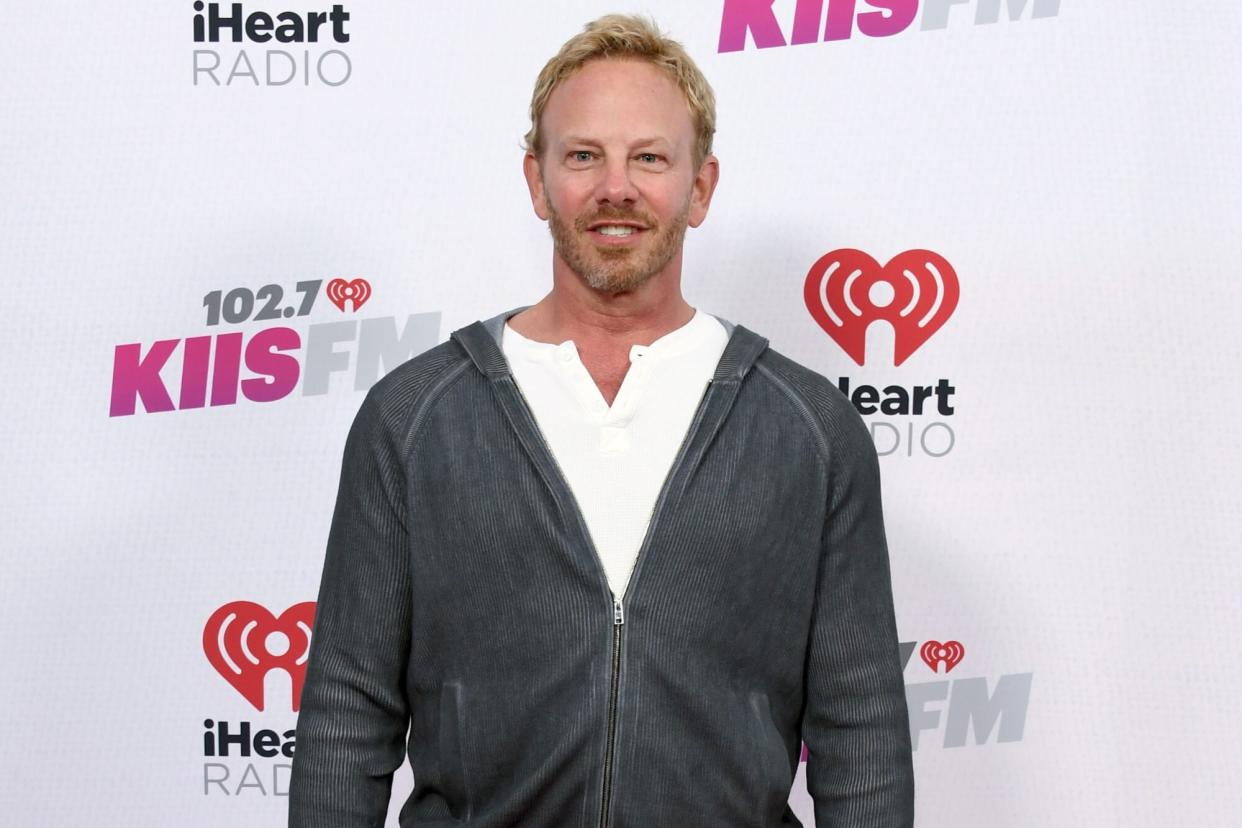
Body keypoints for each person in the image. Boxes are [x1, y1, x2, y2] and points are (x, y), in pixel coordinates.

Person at [289, 13, 913, 827]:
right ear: (537, 179)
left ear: (700, 188)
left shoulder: (809, 430)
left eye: (649, 158)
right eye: (583, 155)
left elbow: (859, 725)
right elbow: (347, 710)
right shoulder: (413, 419)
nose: (615, 187)